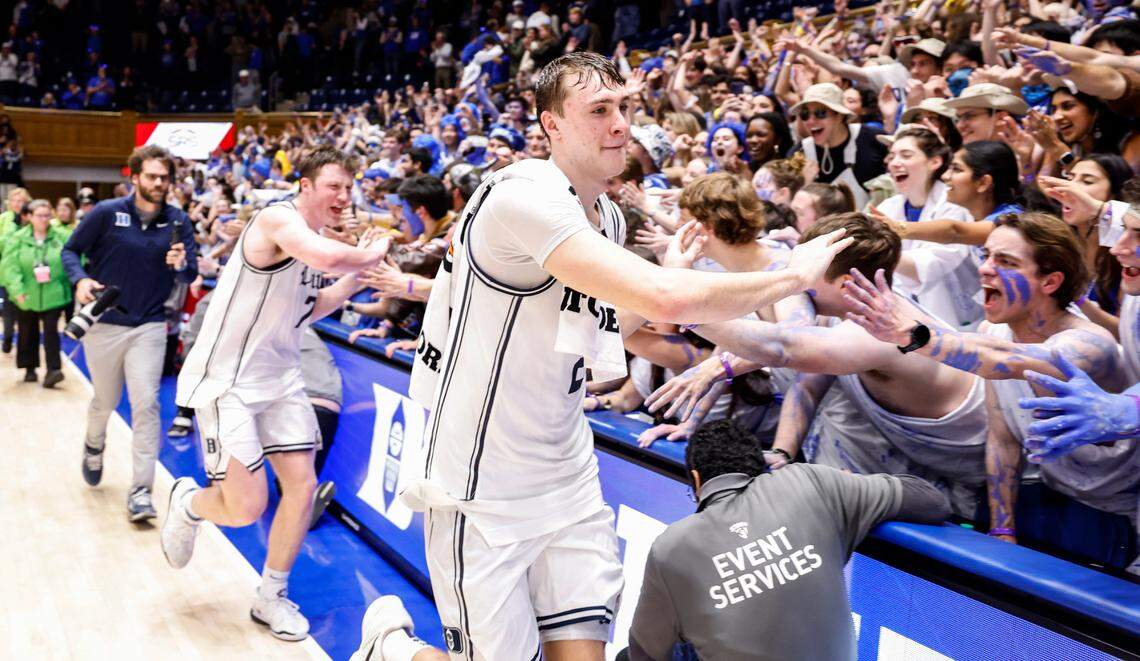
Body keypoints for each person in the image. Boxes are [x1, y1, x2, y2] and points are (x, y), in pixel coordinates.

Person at [380, 52, 851, 661]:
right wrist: (791, 277)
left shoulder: (604, 215)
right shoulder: (521, 195)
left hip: (565, 471)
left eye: (625, 107)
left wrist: (669, 290)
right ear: (551, 125)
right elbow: (660, 294)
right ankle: (391, 648)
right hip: (481, 480)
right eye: (599, 110)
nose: (621, 124)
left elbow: (604, 332)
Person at [160, 145, 390, 641]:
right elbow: (325, 256)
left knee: (302, 486)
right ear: (305, 186)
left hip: (282, 379)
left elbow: (310, 306)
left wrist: (358, 278)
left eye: (350, 188)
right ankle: (190, 504)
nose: (344, 196)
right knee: (243, 508)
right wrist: (369, 252)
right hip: (230, 380)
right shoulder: (277, 221)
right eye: (335, 185)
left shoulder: (319, 240)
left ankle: (272, 596)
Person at [844, 212, 1139, 568]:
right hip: (1051, 496)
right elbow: (1002, 438)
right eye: (986, 256)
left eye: (1006, 261)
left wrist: (913, 334)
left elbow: (1011, 360)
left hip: (1115, 516)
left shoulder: (1090, 345)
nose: (984, 269)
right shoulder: (993, 330)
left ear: (1050, 282)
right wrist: (1003, 529)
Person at [655, 213, 988, 515]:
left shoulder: (881, 331)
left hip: (1005, 472)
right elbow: (807, 385)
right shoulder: (849, 311)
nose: (799, 278)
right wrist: (783, 453)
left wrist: (681, 304)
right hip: (951, 469)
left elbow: (783, 345)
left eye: (809, 269)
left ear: (844, 284)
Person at [626, 419, 951, 660]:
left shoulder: (671, 546)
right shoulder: (811, 481)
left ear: (696, 481)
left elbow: (644, 654)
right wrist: (846, 484)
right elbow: (932, 501)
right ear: (761, 462)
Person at [61, 145, 198, 521]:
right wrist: (81, 279)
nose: (159, 183)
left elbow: (190, 275)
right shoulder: (107, 213)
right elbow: (70, 251)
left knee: (147, 405)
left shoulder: (178, 221)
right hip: (104, 323)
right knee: (105, 400)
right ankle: (94, 442)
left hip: (150, 325)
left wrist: (183, 264)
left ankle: (141, 490)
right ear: (134, 177)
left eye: (165, 177)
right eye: (152, 176)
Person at [0, 199, 71, 386]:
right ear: (29, 217)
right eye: (39, 215)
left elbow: (71, 260)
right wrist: (17, 291)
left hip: (53, 293)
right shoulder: (17, 238)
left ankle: (53, 370)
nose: (44, 219)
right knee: (26, 331)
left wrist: (66, 284)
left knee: (51, 332)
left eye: (48, 215)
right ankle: (29, 368)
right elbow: (9, 267)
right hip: (26, 294)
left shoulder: (60, 237)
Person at [788, 83, 887, 210]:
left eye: (820, 113)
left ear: (839, 116)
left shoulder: (872, 139)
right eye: (805, 114)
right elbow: (789, 209)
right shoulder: (800, 154)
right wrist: (804, 184)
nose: (811, 121)